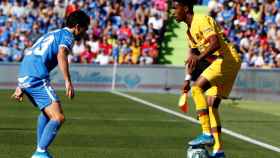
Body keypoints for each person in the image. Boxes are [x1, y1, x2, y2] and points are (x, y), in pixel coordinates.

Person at [11, 10, 90, 158]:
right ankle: (40, 153)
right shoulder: (68, 36)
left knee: (46, 113)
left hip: (26, 72)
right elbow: (61, 54)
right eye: (85, 28)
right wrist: (68, 81)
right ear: (77, 27)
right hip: (36, 75)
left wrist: (21, 84)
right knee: (58, 117)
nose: (85, 32)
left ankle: (41, 150)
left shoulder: (54, 33)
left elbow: (33, 52)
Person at [173, 0, 241, 158]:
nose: (173, 12)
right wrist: (187, 79)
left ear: (185, 8)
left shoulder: (201, 20)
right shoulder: (189, 32)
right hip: (226, 63)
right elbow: (191, 57)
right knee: (212, 106)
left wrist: (199, 57)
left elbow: (215, 43)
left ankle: (206, 133)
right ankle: (219, 151)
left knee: (197, 89)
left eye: (175, 8)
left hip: (225, 60)